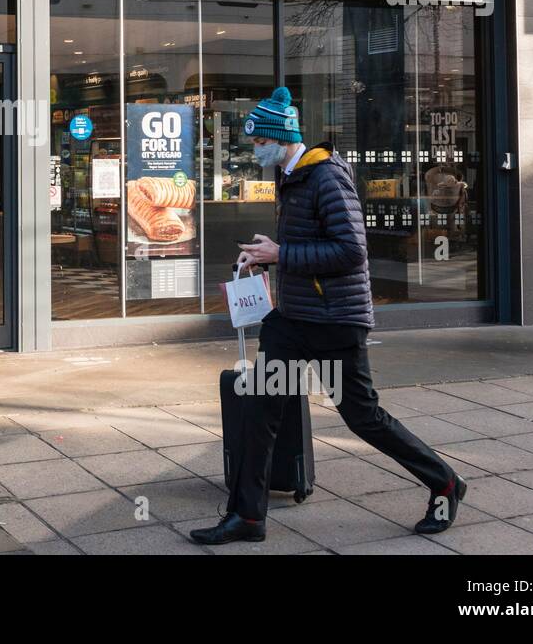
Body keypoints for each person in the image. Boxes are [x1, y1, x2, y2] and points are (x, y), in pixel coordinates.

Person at [190, 86, 465, 546]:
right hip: (293, 320)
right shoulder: (290, 175)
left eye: (259, 142)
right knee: (260, 411)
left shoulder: (326, 177)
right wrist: (270, 257)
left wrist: (282, 253)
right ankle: (247, 518)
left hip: (335, 320)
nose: (254, 149)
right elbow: (307, 246)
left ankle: (445, 482)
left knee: (364, 418)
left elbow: (352, 251)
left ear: (281, 137)